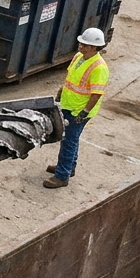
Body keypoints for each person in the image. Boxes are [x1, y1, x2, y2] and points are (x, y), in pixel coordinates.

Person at [44, 27, 110, 189]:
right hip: (68, 105)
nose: (80, 46)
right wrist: (61, 92)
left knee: (68, 141)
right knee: (71, 139)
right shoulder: (79, 57)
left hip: (78, 111)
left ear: (94, 48)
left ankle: (62, 175)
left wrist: (84, 112)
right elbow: (70, 77)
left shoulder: (99, 67)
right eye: (81, 43)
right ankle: (68, 168)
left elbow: (96, 94)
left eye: (85, 45)